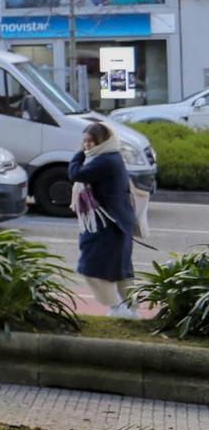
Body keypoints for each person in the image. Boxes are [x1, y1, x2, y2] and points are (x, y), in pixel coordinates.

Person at [70, 122, 138, 317]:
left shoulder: (104, 161)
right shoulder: (111, 156)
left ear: (103, 141)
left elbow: (75, 174)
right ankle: (131, 311)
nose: (87, 145)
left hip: (108, 225)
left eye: (91, 141)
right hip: (117, 223)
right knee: (120, 270)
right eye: (84, 141)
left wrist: (78, 154)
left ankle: (117, 308)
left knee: (91, 269)